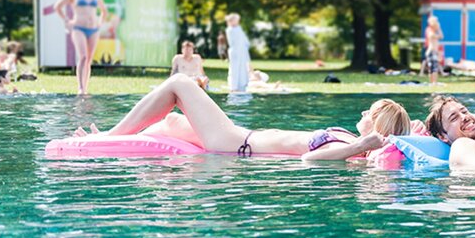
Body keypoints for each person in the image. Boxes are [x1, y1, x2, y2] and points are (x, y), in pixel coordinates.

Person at [72, 75, 418, 162]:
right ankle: (116, 141)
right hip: (240, 136)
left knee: (179, 85)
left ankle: (102, 137)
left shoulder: (352, 148)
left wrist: (364, 144)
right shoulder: (351, 141)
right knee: (171, 124)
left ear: (378, 125)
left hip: (236, 145)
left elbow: (311, 159)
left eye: (368, 113)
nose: (362, 113)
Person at [53, 0, 108, 95]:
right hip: (79, 28)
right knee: (83, 56)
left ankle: (86, 87)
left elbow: (104, 11)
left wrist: (100, 22)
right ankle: (81, 87)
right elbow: (58, 6)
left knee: (89, 59)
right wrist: (67, 20)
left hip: (93, 29)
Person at [225, 13, 251, 92]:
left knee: (242, 68)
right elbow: (234, 42)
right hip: (235, 52)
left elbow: (244, 40)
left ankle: (241, 85)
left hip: (242, 52)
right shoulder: (230, 30)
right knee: (234, 69)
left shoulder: (238, 28)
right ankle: (234, 86)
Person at [423, 16, 443, 85]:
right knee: (433, 68)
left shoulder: (433, 31)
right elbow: (433, 39)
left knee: (433, 67)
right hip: (431, 51)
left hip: (433, 51)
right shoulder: (429, 30)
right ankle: (433, 82)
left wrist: (438, 28)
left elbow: (441, 36)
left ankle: (433, 82)